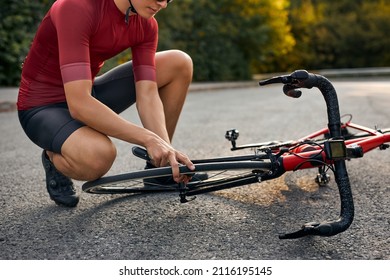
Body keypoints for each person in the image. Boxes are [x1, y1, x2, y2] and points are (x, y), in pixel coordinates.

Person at [17, 0, 198, 208]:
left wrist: (165, 150)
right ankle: (54, 155)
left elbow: (147, 94)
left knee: (179, 63)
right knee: (99, 157)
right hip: (43, 105)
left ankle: (158, 171)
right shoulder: (76, 7)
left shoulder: (146, 24)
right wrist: (149, 139)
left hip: (87, 92)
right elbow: (79, 104)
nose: (163, 4)